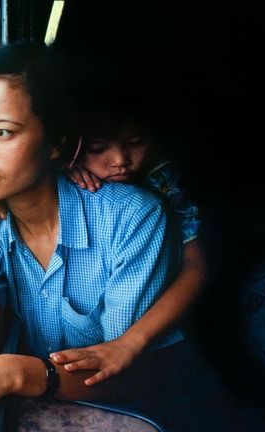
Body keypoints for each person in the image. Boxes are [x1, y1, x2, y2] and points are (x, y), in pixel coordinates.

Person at [0, 43, 203, 428]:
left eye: (3, 132)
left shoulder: (131, 217)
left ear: (57, 140)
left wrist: (15, 372)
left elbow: (126, 373)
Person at [43, 108, 207, 387]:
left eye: (136, 142)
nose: (120, 160)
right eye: (98, 147)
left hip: (168, 331)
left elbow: (198, 265)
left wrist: (129, 343)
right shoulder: (63, 177)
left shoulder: (164, 178)